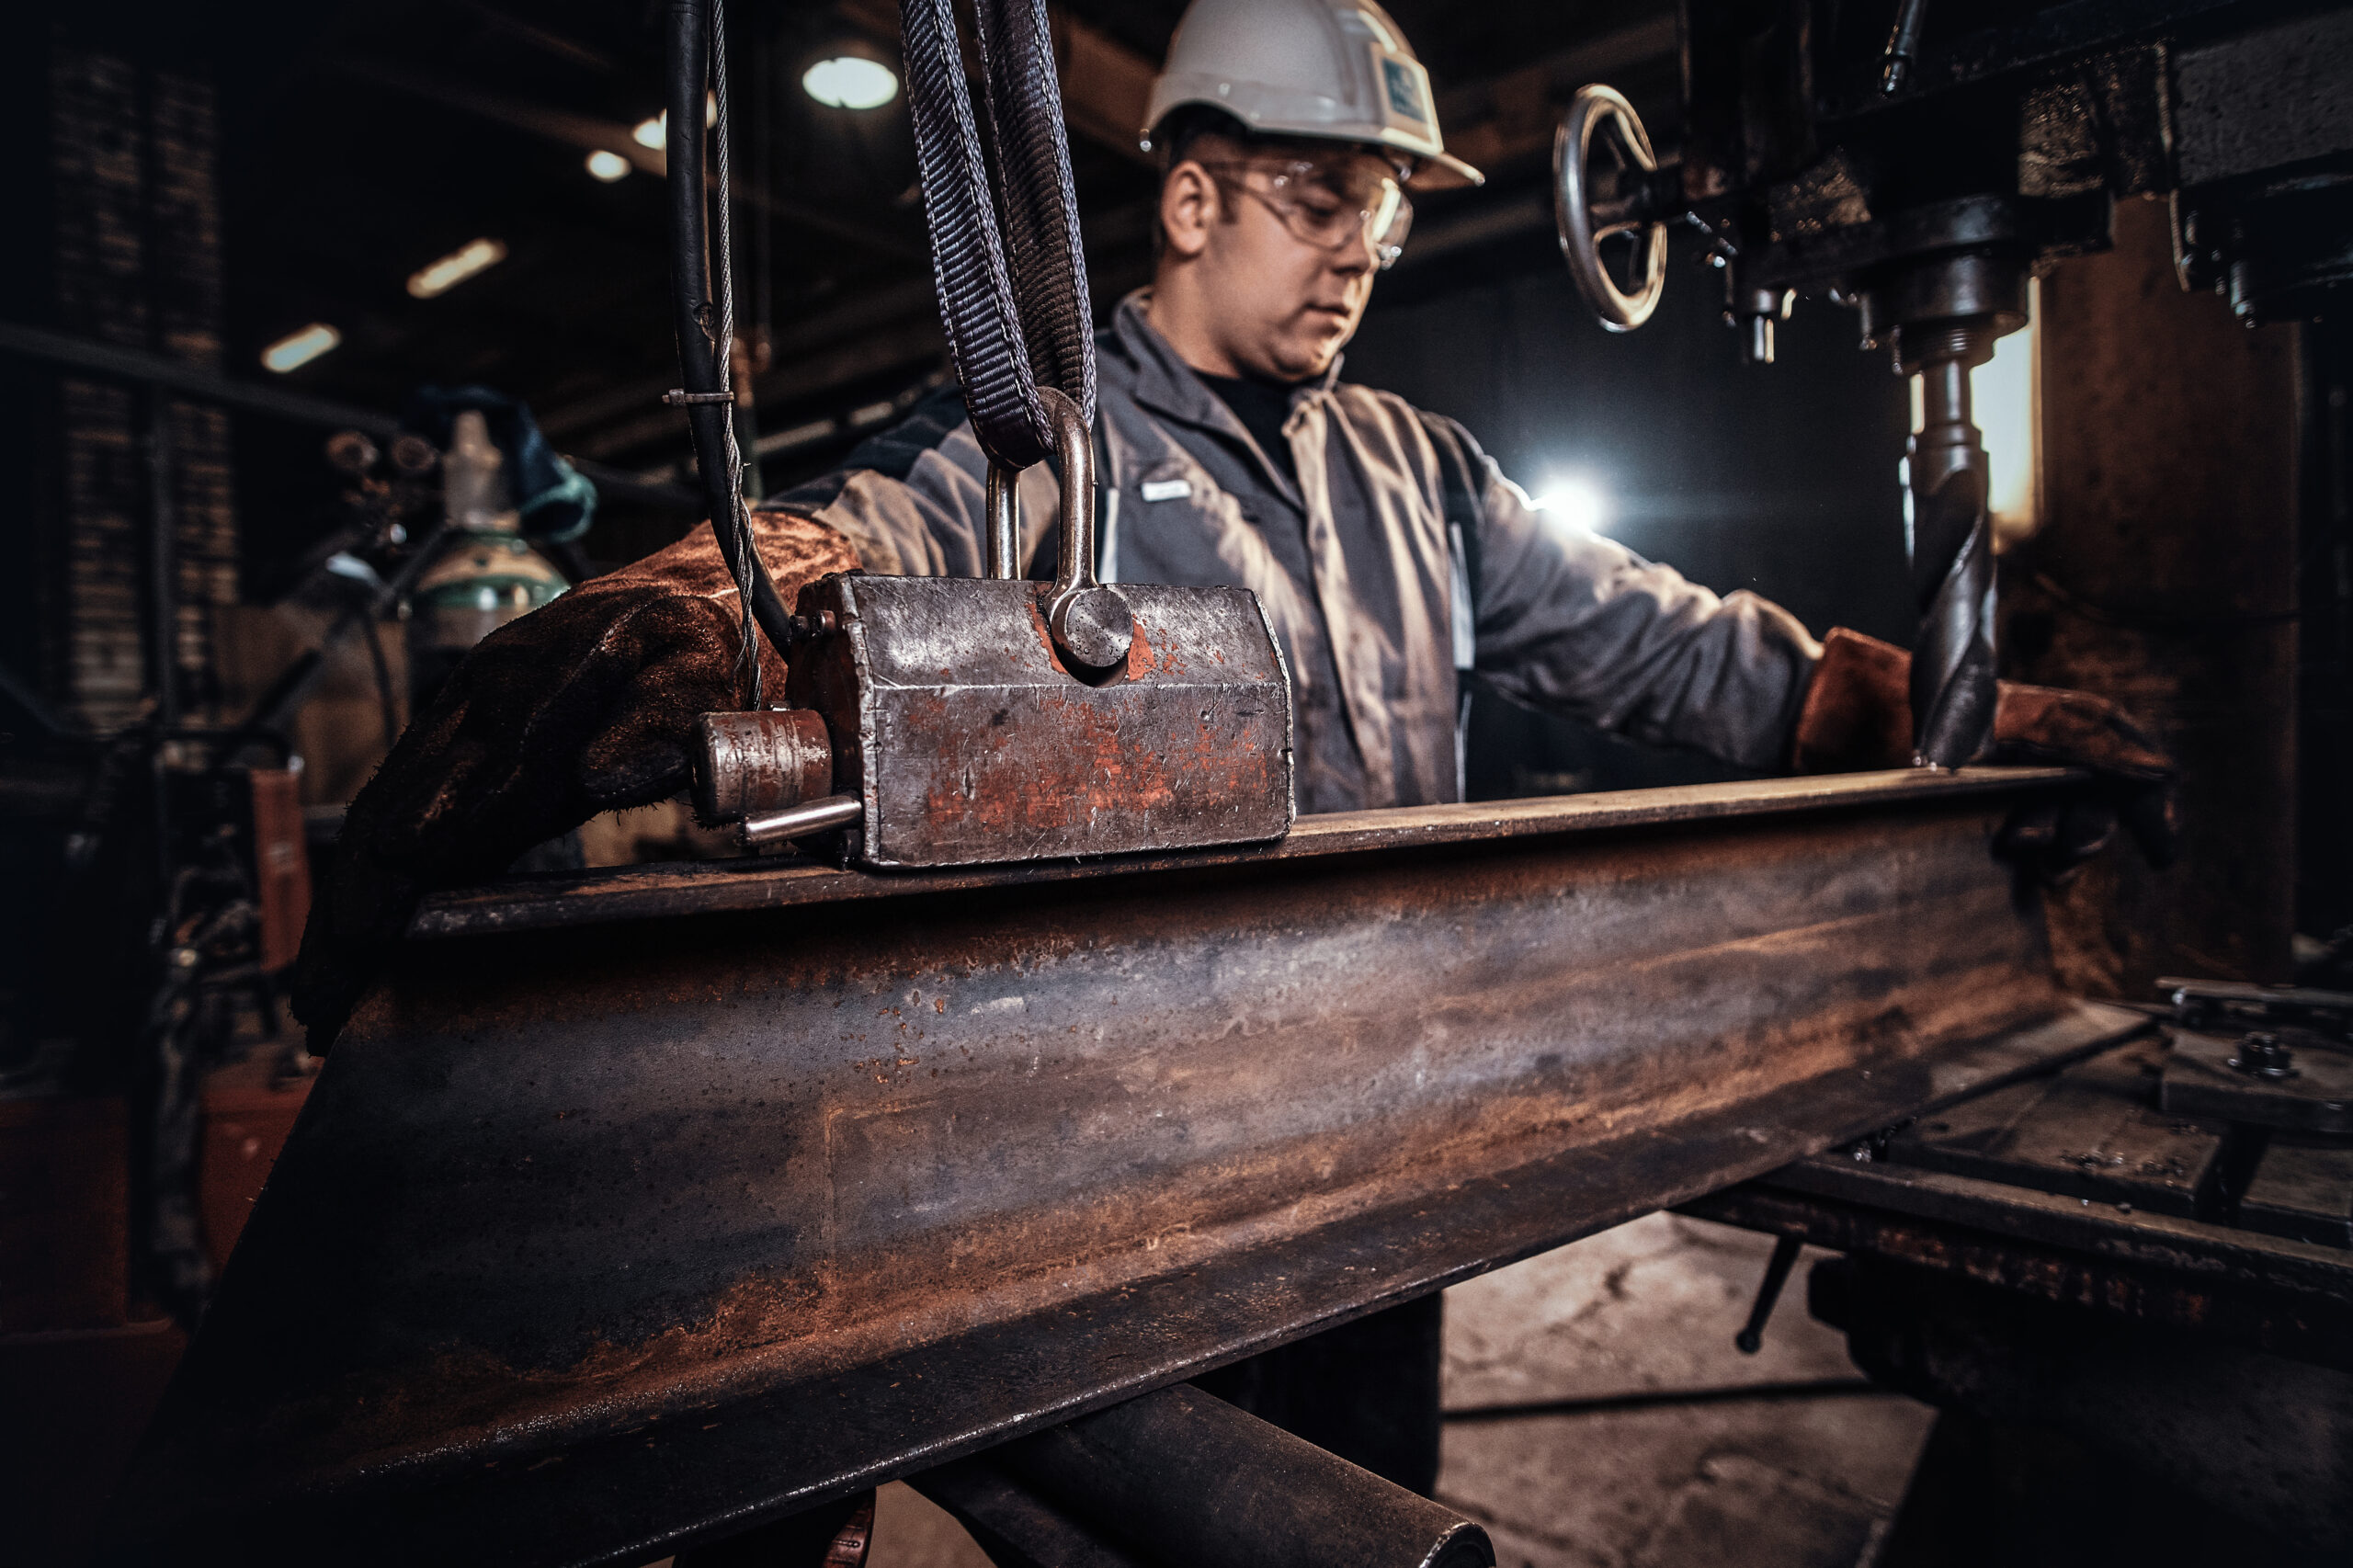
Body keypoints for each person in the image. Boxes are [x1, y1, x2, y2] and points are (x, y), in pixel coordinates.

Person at [295, 0, 2177, 1531]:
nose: (1359, 245)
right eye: (1310, 195)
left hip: (1410, 1125)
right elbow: (873, 536)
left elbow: (1664, 649)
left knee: (1375, 1491)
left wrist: (1948, 721)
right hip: (1133, 1167)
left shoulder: (1418, 468)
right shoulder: (1050, 441)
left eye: (1381, 209)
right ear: (1189, 203)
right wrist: (714, 601)